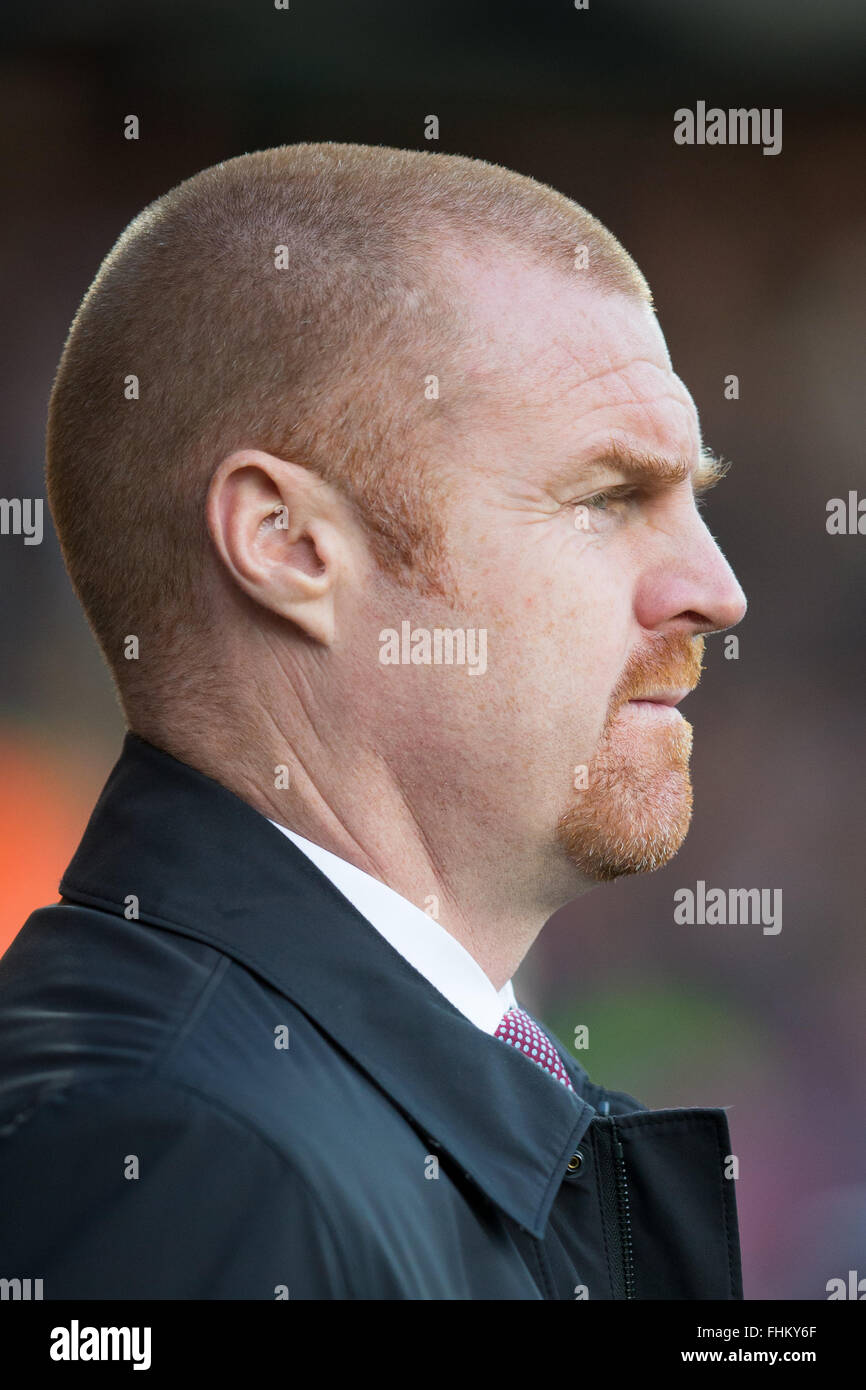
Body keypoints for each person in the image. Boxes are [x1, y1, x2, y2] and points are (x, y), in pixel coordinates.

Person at [0, 143, 747, 1299]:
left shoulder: (288, 1124)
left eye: (688, 502)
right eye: (607, 499)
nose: (714, 589)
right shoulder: (178, 1154)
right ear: (289, 545)